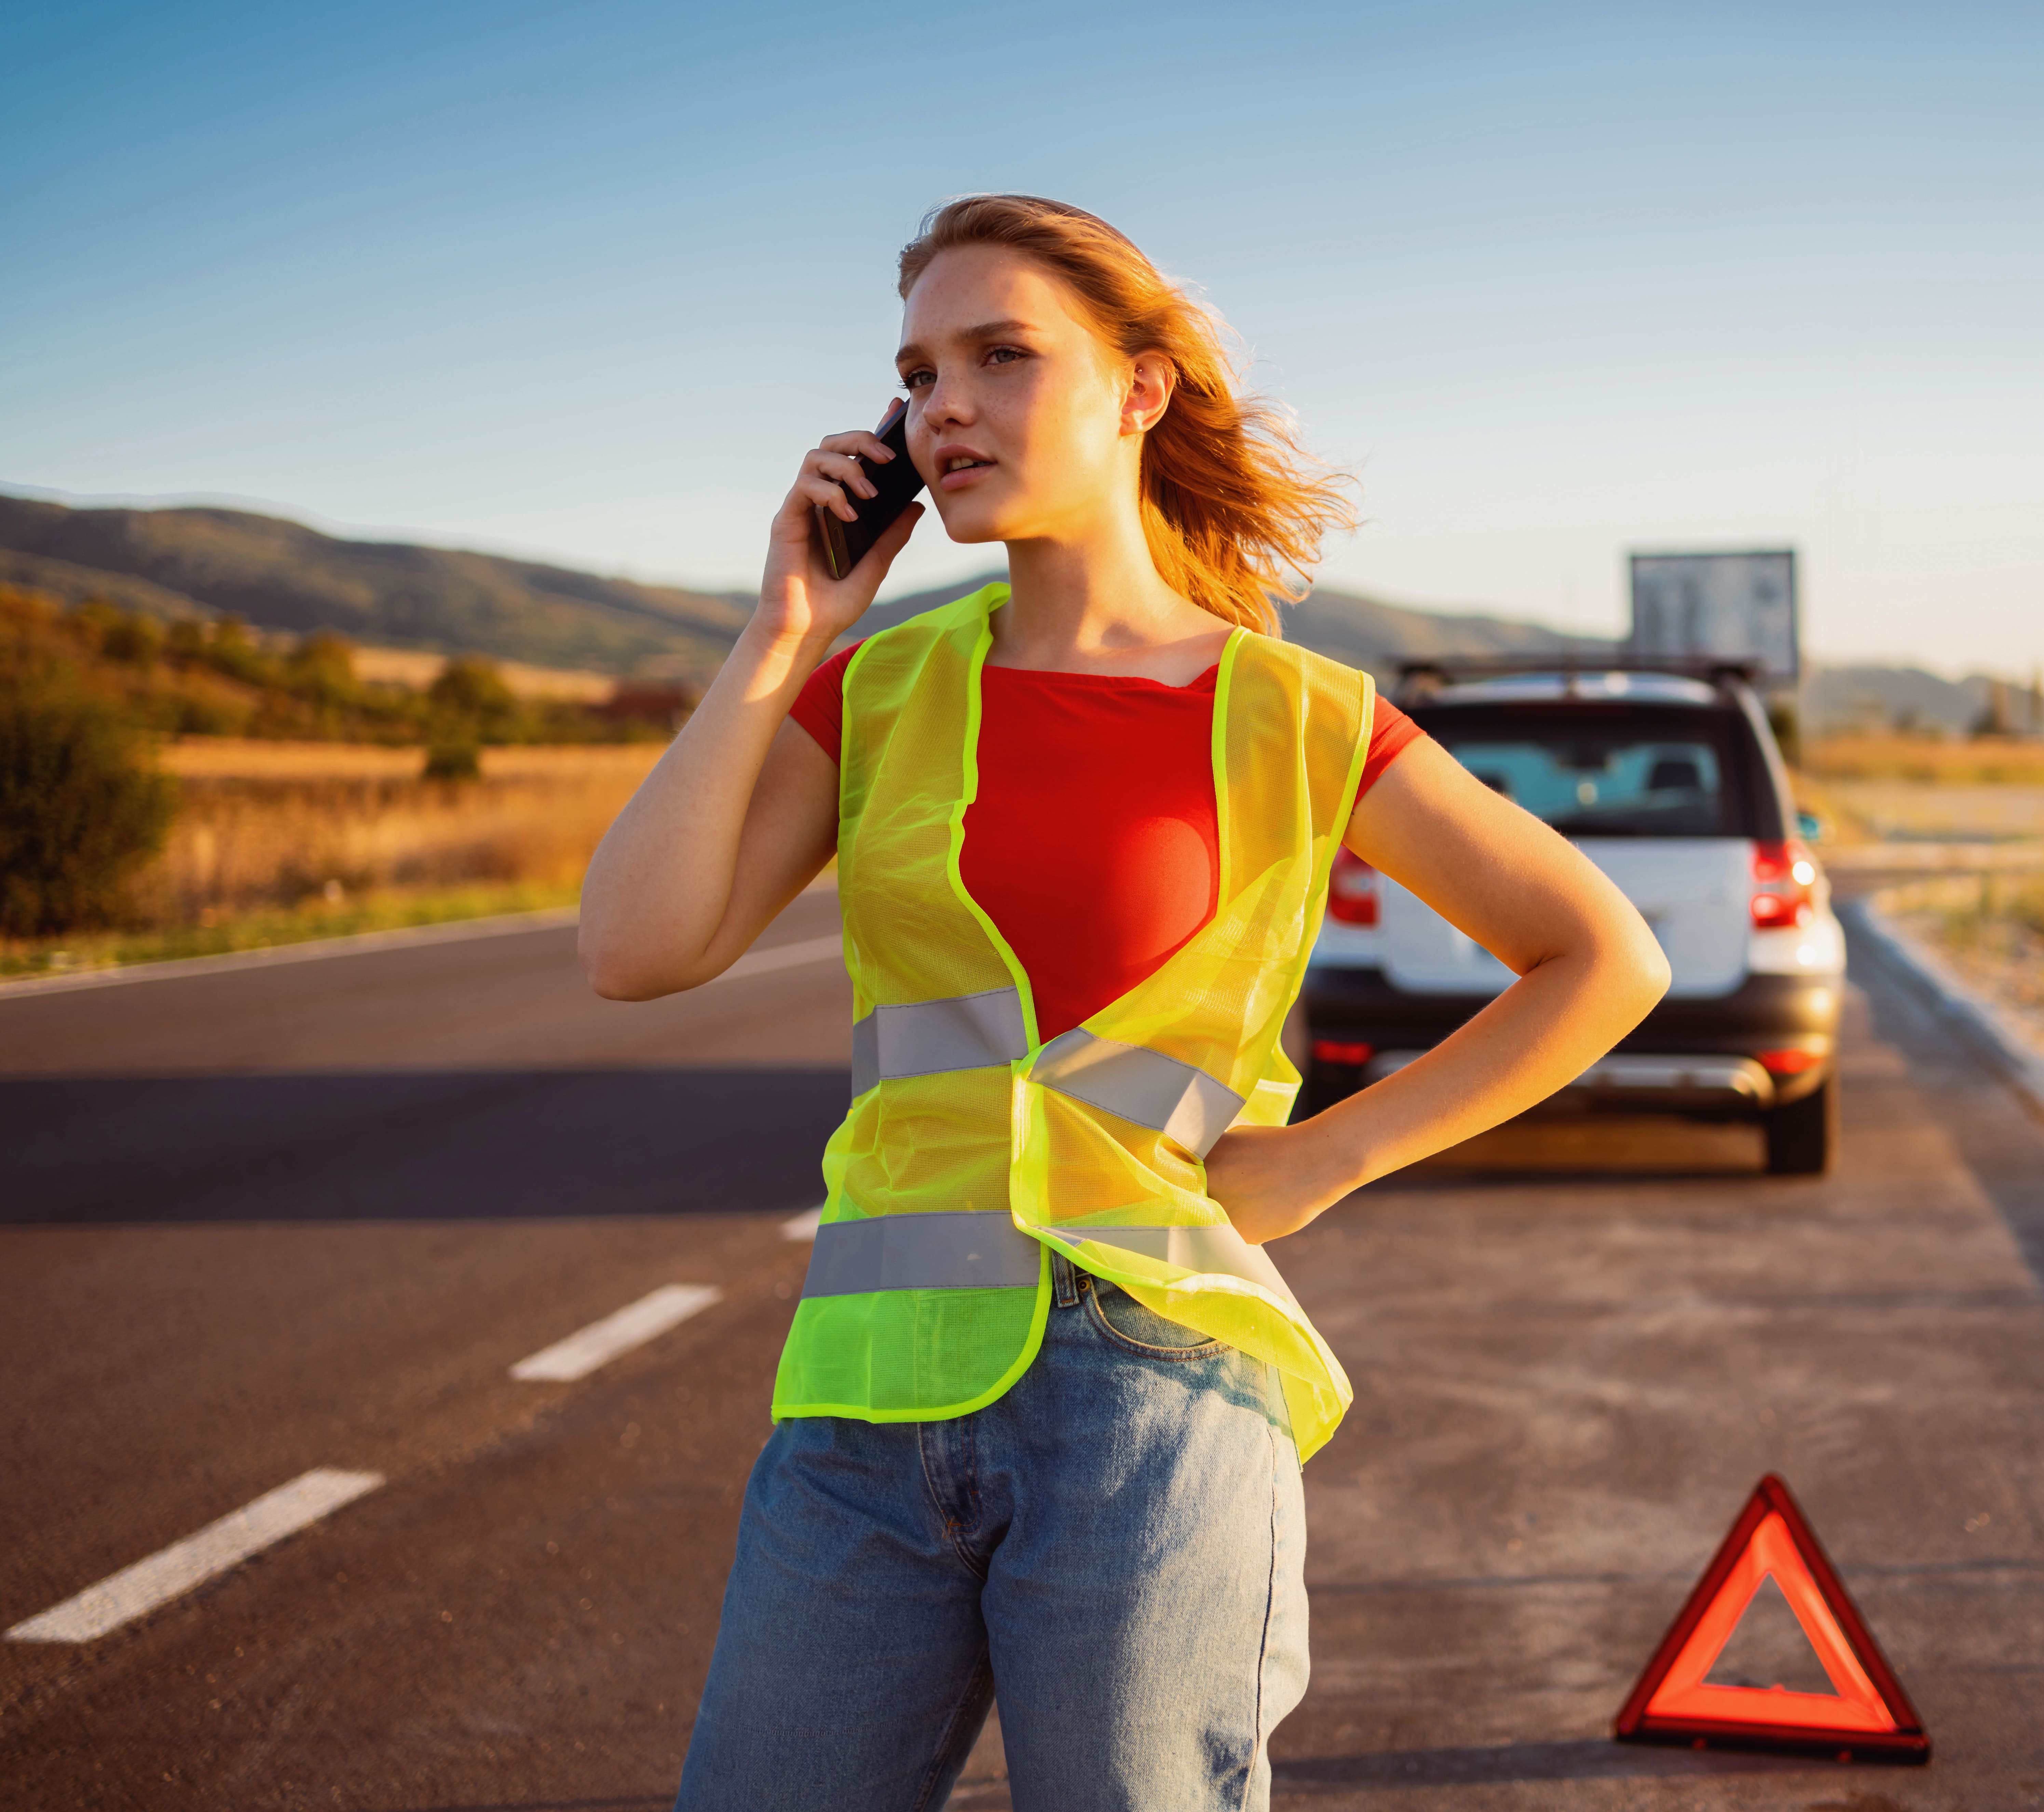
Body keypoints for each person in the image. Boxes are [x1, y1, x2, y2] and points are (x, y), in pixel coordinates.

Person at [579, 194, 1668, 1812]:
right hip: (865, 1414)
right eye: (918, 370)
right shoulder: (873, 687)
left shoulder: (1295, 712)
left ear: (1140, 392)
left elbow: (1603, 957)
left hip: (1151, 1398)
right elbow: (637, 944)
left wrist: (1329, 1159)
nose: (943, 405)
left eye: (1000, 356)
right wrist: (781, 629)